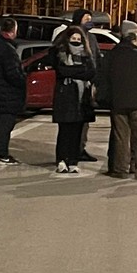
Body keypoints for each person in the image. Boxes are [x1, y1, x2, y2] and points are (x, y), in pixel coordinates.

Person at [98, 21, 137, 180]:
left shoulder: (111, 55)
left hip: (117, 102)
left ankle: (119, 169)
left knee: (121, 137)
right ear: (134, 38)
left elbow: (102, 78)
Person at [51, 26, 97, 173]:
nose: (76, 41)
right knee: (65, 131)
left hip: (81, 100)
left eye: (78, 39)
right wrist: (80, 71)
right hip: (66, 97)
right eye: (73, 39)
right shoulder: (61, 53)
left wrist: (73, 73)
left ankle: (73, 161)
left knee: (77, 132)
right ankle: (61, 160)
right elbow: (62, 71)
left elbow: (91, 72)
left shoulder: (86, 55)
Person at [71, 8, 101, 163]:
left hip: (89, 82)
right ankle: (71, 149)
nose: (89, 21)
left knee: (85, 118)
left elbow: (96, 58)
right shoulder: (72, 36)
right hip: (75, 83)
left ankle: (80, 148)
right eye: (86, 19)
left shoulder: (91, 37)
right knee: (73, 118)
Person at [0, 18, 26, 165]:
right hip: (6, 94)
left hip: (0, 93)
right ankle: (1, 153)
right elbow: (12, 74)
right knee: (5, 126)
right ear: (13, 31)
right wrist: (23, 80)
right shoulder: (8, 49)